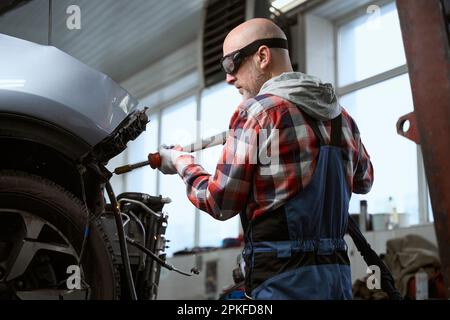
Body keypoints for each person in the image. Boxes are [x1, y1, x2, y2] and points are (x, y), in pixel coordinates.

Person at [155, 18, 374, 299]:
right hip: (336, 281)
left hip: (282, 282)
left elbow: (219, 202)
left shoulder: (258, 112)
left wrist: (179, 161)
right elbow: (364, 181)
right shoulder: (342, 119)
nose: (228, 78)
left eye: (230, 64)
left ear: (262, 56)